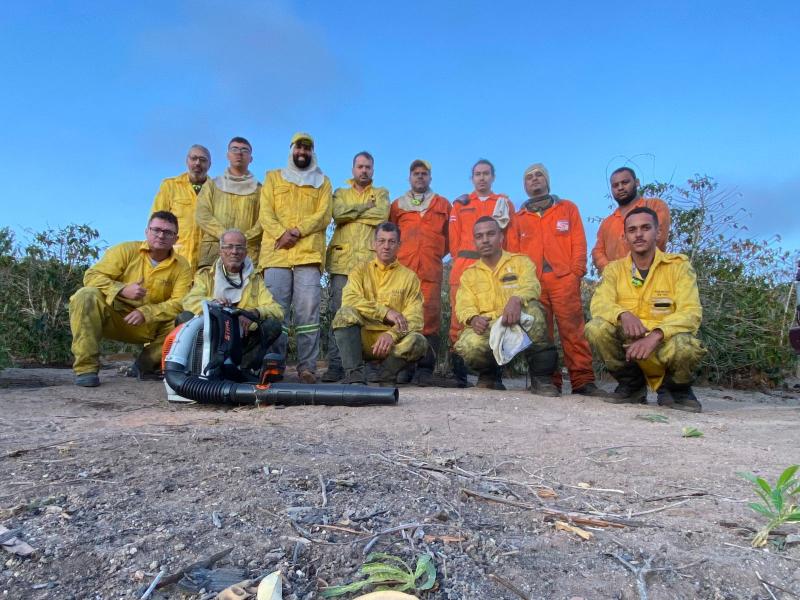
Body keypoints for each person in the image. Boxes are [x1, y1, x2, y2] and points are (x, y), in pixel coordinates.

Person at [585, 207, 706, 412]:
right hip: (630, 346)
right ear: (625, 237)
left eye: (645, 228)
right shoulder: (614, 270)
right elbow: (600, 303)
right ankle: (632, 386)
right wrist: (622, 314)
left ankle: (676, 390)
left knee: (685, 345)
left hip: (663, 344)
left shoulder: (678, 266)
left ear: (658, 233)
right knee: (595, 328)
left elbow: (691, 311)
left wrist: (656, 335)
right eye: (632, 230)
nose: (638, 234)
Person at [507, 163, 606, 396]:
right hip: (533, 284)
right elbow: (513, 254)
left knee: (573, 330)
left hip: (563, 279)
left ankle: (583, 380)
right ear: (524, 185)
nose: (534, 179)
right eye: (529, 177)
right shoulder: (518, 218)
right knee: (541, 332)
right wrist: (520, 287)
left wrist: (576, 273)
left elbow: (579, 243)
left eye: (538, 175)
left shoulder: (567, 208)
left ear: (547, 180)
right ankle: (548, 381)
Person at [69, 211, 192, 387]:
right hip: (115, 318)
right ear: (146, 231)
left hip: (149, 327)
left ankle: (145, 365)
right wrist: (121, 290)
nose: (161, 235)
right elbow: (92, 276)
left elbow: (180, 301)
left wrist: (146, 312)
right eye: (156, 229)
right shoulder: (125, 250)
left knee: (185, 319)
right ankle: (86, 369)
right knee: (85, 295)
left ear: (176, 238)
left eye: (168, 232)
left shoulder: (182, 266)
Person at [258, 132, 332, 383]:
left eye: (307, 149)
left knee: (308, 315)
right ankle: (273, 364)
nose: (302, 152)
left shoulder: (323, 182)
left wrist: (297, 232)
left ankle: (307, 367)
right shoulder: (272, 177)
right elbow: (265, 212)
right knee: (275, 312)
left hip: (308, 255)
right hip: (276, 254)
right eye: (299, 148)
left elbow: (324, 215)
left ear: (313, 152)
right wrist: (282, 234)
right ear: (291, 150)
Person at [454, 217, 558, 395]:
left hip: (517, 321)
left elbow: (532, 286)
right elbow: (464, 305)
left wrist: (517, 298)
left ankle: (541, 379)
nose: (485, 240)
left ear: (501, 237)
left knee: (534, 311)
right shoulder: (469, 274)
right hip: (489, 326)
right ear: (474, 241)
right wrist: (473, 318)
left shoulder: (521, 262)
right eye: (479, 236)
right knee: (468, 343)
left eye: (490, 234)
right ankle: (490, 377)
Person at [322, 151, 390, 382]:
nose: (364, 171)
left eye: (368, 167)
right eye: (360, 166)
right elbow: (337, 214)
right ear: (353, 169)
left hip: (370, 265)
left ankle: (368, 365)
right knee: (339, 314)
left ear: (373, 170)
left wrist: (353, 212)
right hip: (342, 264)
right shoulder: (340, 193)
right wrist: (363, 208)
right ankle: (335, 365)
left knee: (371, 313)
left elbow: (382, 215)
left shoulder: (381, 193)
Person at [332, 222, 426, 385]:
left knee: (418, 341)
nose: (386, 246)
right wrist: (385, 312)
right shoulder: (359, 271)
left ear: (399, 245)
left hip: (392, 345)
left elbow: (415, 318)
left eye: (391, 241)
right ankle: (355, 376)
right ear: (374, 244)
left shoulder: (409, 277)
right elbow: (349, 300)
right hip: (363, 338)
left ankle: (386, 376)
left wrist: (392, 334)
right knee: (344, 314)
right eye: (381, 241)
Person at [448, 159, 515, 386]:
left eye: (486, 173)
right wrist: (464, 259)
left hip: (494, 266)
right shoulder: (460, 203)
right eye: (477, 174)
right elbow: (453, 240)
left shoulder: (503, 202)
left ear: (493, 177)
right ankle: (457, 373)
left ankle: (492, 373)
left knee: (494, 315)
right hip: (464, 265)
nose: (482, 178)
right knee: (459, 318)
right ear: (472, 178)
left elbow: (510, 237)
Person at [179, 229, 283, 374]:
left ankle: (242, 370)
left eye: (239, 247)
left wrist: (253, 313)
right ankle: (196, 368)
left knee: (273, 325)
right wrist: (214, 305)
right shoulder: (206, 276)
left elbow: (277, 310)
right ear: (221, 251)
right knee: (184, 318)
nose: (234, 251)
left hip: (241, 339)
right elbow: (189, 301)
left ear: (246, 252)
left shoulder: (256, 279)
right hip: (212, 334)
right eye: (229, 246)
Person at [389, 159, 451, 385]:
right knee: (402, 315)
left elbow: (449, 239)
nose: (420, 177)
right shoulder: (398, 205)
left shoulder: (443, 204)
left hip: (430, 271)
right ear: (409, 177)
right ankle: (404, 366)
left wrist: (432, 255)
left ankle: (425, 369)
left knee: (430, 317)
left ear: (430, 178)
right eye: (416, 173)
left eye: (424, 173)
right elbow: (390, 235)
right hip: (404, 271)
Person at [196, 137, 262, 268]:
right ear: (228, 155)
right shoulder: (212, 185)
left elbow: (264, 219)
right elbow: (202, 215)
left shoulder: (260, 189)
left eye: (244, 150)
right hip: (214, 249)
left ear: (251, 158)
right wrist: (226, 237)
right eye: (235, 149)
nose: (239, 153)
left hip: (247, 252)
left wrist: (243, 239)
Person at [592, 167, 671, 272]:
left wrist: (634, 272)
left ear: (637, 182)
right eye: (615, 185)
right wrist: (612, 271)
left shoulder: (654, 206)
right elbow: (598, 252)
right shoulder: (607, 223)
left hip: (651, 277)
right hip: (617, 284)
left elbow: (658, 239)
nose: (620, 188)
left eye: (625, 182)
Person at [150, 144, 211, 272]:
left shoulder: (217, 190)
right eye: (193, 158)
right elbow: (156, 223)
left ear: (209, 164)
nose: (198, 163)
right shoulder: (170, 186)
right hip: (175, 258)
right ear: (187, 161)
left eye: (203, 160)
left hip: (206, 262)